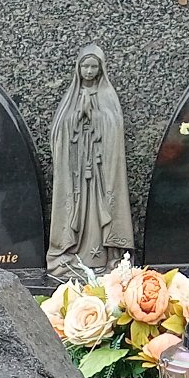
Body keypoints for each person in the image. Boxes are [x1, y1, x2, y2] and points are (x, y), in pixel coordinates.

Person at [46, 43, 134, 276]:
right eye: (85, 66)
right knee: (78, 207)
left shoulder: (107, 95)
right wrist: (77, 115)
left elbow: (114, 126)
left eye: (94, 66)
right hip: (77, 168)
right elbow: (59, 130)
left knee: (98, 208)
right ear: (78, 68)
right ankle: (74, 252)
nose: (89, 71)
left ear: (100, 68)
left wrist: (94, 115)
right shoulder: (72, 97)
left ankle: (103, 257)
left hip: (99, 169)